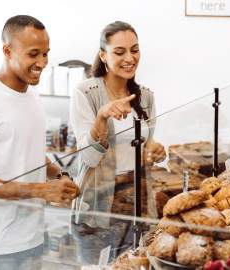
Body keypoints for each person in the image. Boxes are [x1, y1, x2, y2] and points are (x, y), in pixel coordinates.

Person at [0, 15, 79, 270]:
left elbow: (30, 153)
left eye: (46, 54)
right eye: (34, 54)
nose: (42, 63)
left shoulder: (32, 96)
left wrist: (61, 174)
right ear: (7, 50)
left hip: (35, 234)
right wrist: (39, 190)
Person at [69, 21, 166, 264]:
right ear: (103, 55)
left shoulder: (146, 96)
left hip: (138, 205)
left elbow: (146, 150)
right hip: (98, 207)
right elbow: (89, 158)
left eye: (135, 50)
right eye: (119, 52)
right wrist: (102, 116)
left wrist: (154, 151)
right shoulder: (86, 93)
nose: (130, 58)